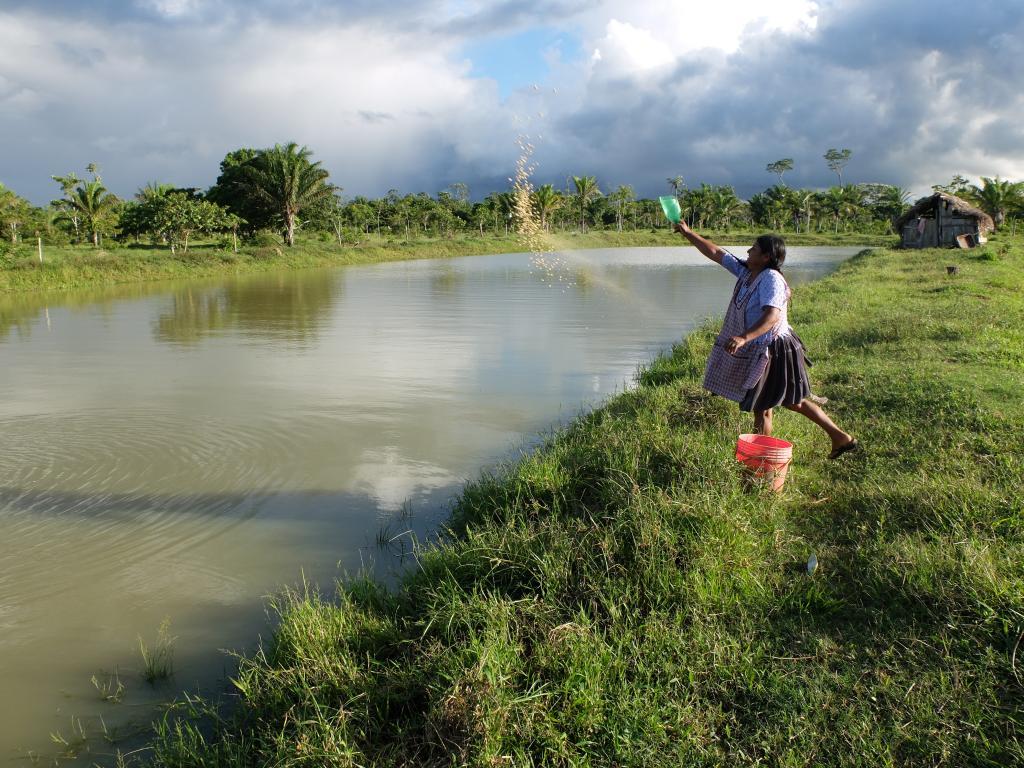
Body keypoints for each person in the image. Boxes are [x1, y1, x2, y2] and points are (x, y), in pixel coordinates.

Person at [674, 220, 858, 459]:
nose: (748, 251)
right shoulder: (748, 272)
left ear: (766, 257)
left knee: (763, 408)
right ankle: (840, 438)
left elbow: (772, 316)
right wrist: (689, 233)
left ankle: (759, 463)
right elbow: (717, 253)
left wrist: (743, 337)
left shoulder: (770, 279)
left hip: (775, 348)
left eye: (753, 249)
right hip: (763, 346)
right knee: (792, 402)